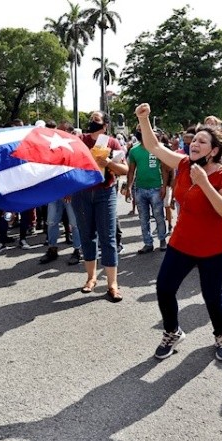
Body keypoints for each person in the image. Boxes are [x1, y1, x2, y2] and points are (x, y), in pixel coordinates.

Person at [135, 103, 222, 362]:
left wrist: (204, 182)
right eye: (193, 140)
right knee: (164, 289)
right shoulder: (182, 164)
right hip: (182, 241)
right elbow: (154, 147)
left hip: (214, 247)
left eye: (202, 142)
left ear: (214, 151)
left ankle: (221, 335)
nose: (194, 143)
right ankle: (172, 332)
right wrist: (143, 119)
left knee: (212, 297)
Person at [72, 110, 128, 302]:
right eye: (91, 119)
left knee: (108, 237)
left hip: (105, 193)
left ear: (105, 124)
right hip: (82, 194)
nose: (92, 121)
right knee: (87, 236)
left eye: (96, 119)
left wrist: (109, 162)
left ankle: (112, 284)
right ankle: (91, 278)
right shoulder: (79, 140)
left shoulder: (112, 142)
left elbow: (125, 169)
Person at [126, 125, 169, 253]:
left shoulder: (158, 149)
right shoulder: (134, 150)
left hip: (156, 188)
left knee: (159, 216)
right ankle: (148, 243)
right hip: (140, 189)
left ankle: (162, 239)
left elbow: (165, 169)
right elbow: (131, 171)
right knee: (143, 218)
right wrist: (129, 187)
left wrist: (164, 186)